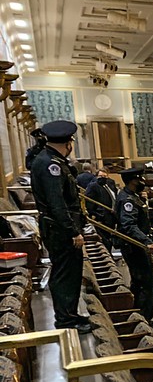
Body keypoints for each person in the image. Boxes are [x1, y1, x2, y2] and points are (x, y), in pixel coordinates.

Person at [32, 120, 90, 333]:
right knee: (65, 274)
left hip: (60, 228)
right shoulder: (51, 165)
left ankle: (70, 314)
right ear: (68, 143)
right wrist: (73, 231)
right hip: (60, 230)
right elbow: (57, 203)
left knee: (71, 273)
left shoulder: (51, 159)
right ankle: (65, 320)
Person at [116, 168, 153, 327]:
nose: (143, 181)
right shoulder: (127, 200)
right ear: (132, 181)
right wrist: (146, 241)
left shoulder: (133, 197)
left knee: (140, 283)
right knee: (147, 284)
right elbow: (128, 225)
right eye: (139, 179)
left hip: (136, 246)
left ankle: (142, 319)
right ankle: (145, 321)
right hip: (135, 247)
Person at [84, 170, 117, 252]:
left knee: (110, 237)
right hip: (101, 216)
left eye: (105, 176)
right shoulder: (93, 186)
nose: (103, 178)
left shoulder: (110, 185)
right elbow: (89, 202)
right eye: (101, 176)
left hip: (112, 216)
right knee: (104, 238)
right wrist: (95, 214)